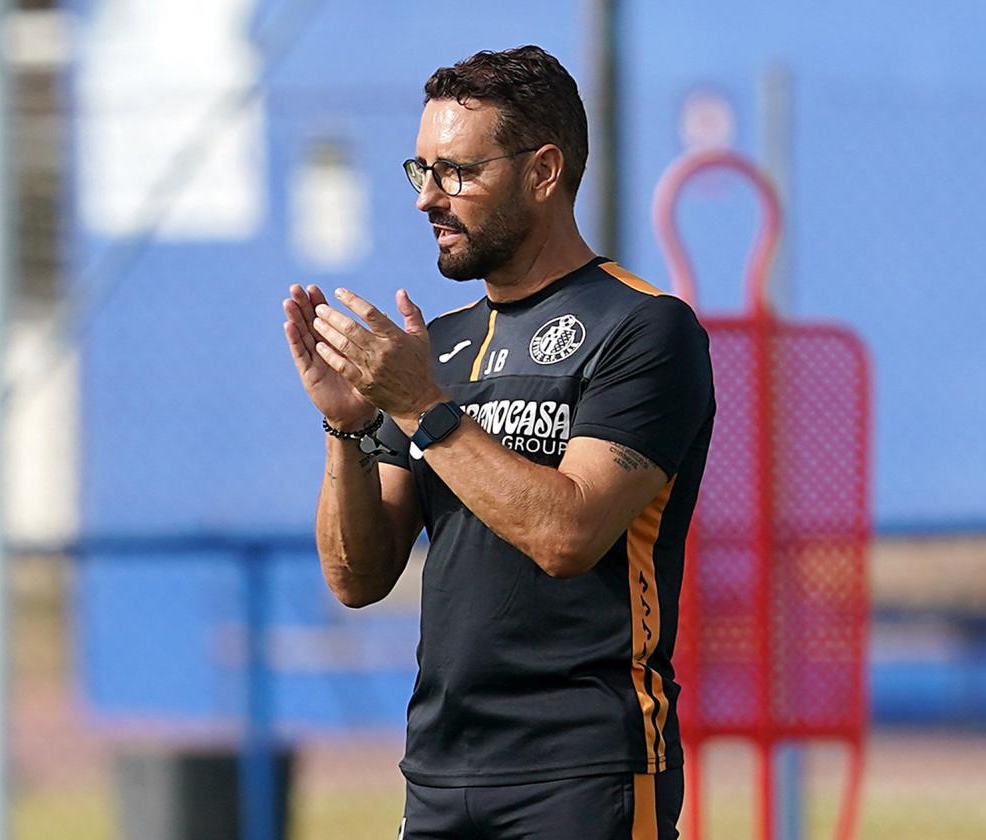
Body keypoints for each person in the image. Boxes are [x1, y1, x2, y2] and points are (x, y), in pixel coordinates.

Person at [282, 45, 714, 840]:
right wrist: (347, 425)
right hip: (443, 770)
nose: (428, 200)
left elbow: (568, 533)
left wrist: (423, 409)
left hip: (587, 768)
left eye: (458, 173)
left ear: (543, 172)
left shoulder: (645, 329)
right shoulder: (436, 349)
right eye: (421, 171)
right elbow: (357, 576)